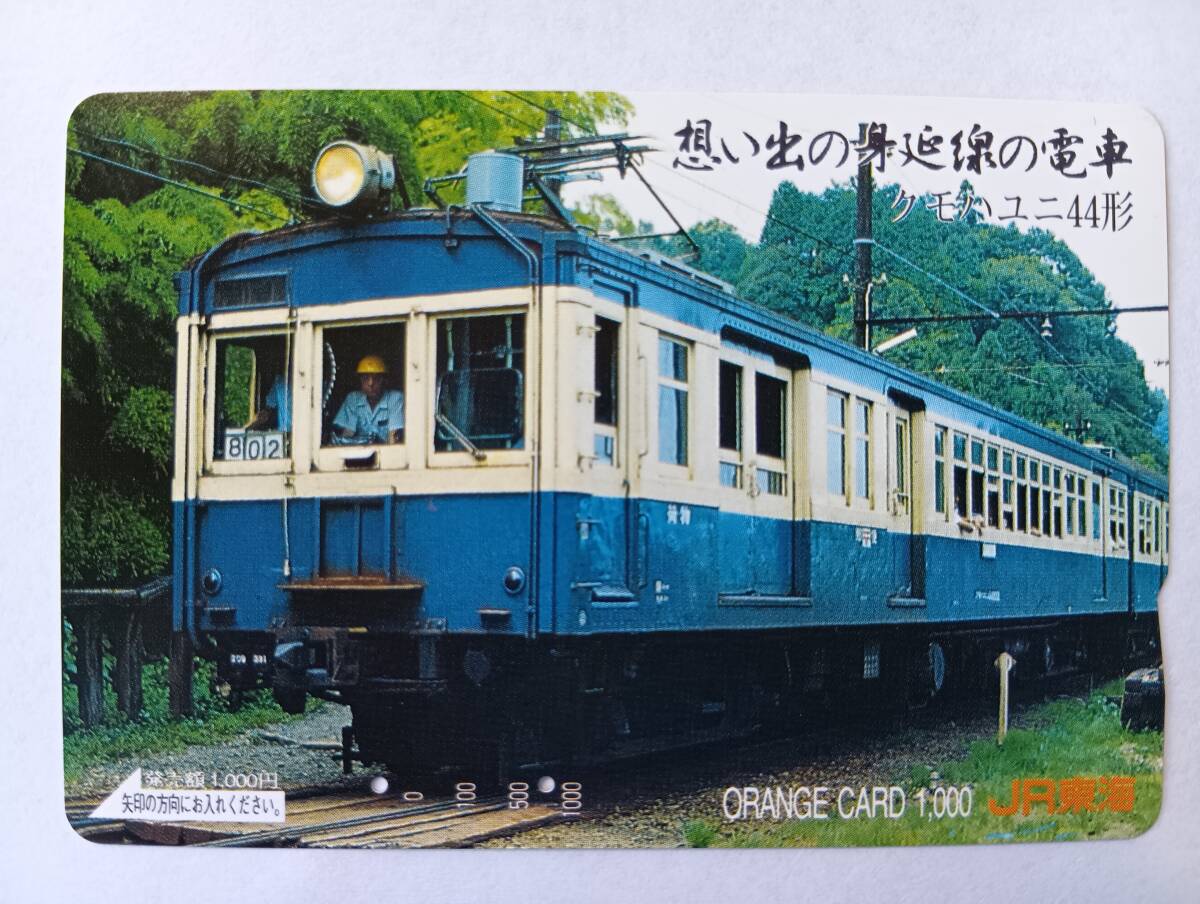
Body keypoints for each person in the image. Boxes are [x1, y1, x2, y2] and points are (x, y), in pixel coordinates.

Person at [332, 354, 404, 444]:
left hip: (385, 451)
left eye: (376, 378)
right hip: (358, 451)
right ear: (360, 380)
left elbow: (394, 439)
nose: (370, 383)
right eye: (366, 378)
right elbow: (347, 435)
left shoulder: (395, 398)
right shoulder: (353, 399)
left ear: (385, 380)